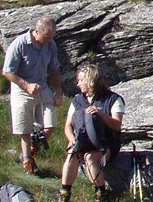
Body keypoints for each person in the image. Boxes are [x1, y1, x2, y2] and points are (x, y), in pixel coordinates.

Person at [2, 15, 62, 175]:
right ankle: (27, 161)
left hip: (42, 87)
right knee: (25, 128)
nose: (49, 40)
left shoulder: (50, 45)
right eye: (46, 37)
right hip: (22, 90)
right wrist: (26, 85)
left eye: (51, 37)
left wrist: (58, 90)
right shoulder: (19, 44)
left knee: (50, 125)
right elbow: (7, 72)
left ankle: (31, 152)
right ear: (37, 32)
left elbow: (54, 68)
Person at [59, 64, 125, 202]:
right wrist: (72, 139)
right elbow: (68, 126)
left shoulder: (113, 99)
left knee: (90, 157)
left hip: (106, 144)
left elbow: (117, 125)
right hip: (82, 141)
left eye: (81, 80)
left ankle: (101, 193)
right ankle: (65, 193)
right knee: (72, 154)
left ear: (90, 80)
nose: (78, 84)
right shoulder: (77, 100)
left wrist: (100, 114)